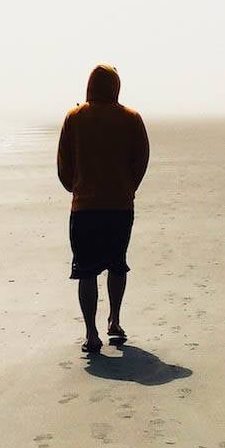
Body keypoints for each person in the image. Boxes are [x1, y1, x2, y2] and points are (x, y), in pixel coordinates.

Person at [57, 65, 150, 354]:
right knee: (117, 264)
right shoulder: (131, 119)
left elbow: (64, 162)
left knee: (86, 271)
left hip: (84, 208)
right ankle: (115, 320)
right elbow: (141, 159)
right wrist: (128, 188)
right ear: (116, 86)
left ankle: (91, 333)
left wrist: (75, 187)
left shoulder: (75, 117)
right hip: (119, 208)